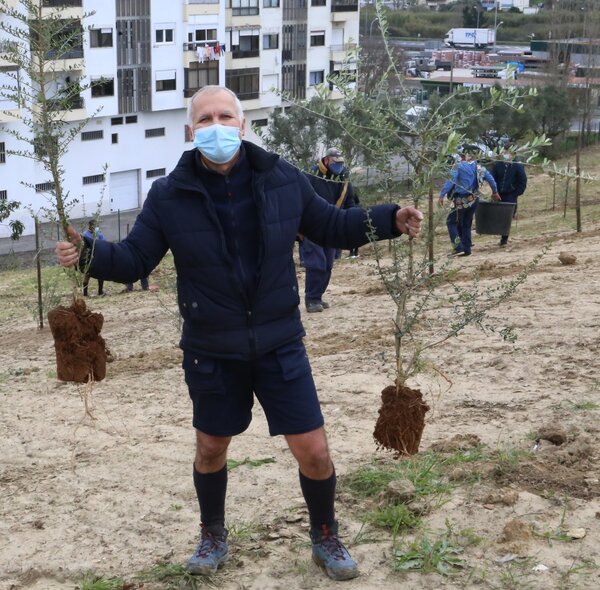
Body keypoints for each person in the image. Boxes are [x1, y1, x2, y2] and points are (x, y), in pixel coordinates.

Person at [55, 85, 423, 582]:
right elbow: (135, 259)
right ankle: (212, 534)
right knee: (211, 448)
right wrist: (89, 253)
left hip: (280, 343)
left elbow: (334, 226)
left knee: (314, 451)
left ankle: (325, 534)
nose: (216, 126)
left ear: (243, 125)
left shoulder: (283, 178)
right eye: (205, 119)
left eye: (225, 116)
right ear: (191, 132)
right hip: (211, 350)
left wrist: (389, 219)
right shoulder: (169, 195)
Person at [301, 147, 358, 313]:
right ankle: (311, 299)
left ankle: (318, 296)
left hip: (333, 225)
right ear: (326, 160)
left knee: (327, 264)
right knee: (316, 263)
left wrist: (352, 220)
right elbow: (300, 200)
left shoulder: (343, 178)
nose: (338, 166)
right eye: (335, 162)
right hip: (312, 225)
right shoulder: (311, 175)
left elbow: (349, 201)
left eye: (341, 163)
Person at [439, 145, 500, 257]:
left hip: (461, 199)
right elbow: (491, 179)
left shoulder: (459, 166)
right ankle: (467, 249)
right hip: (474, 198)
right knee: (466, 223)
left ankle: (458, 247)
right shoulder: (479, 167)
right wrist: (495, 192)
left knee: (451, 222)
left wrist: (442, 194)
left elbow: (450, 181)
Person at [490, 143, 527, 247]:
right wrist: (494, 191)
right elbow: (493, 178)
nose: (505, 154)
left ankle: (504, 239)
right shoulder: (498, 165)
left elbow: (522, 181)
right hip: (499, 194)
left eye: (508, 152)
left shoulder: (517, 166)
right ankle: (500, 234)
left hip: (511, 195)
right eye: (504, 152)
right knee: (498, 215)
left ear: (513, 154)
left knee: (508, 217)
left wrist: (516, 193)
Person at [82, 220, 106, 296]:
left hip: (98, 255)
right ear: (90, 226)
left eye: (96, 226)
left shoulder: (98, 233)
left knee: (101, 273)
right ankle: (85, 293)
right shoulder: (86, 234)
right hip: (89, 256)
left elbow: (104, 242)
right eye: (94, 226)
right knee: (87, 274)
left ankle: (100, 291)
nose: (96, 227)